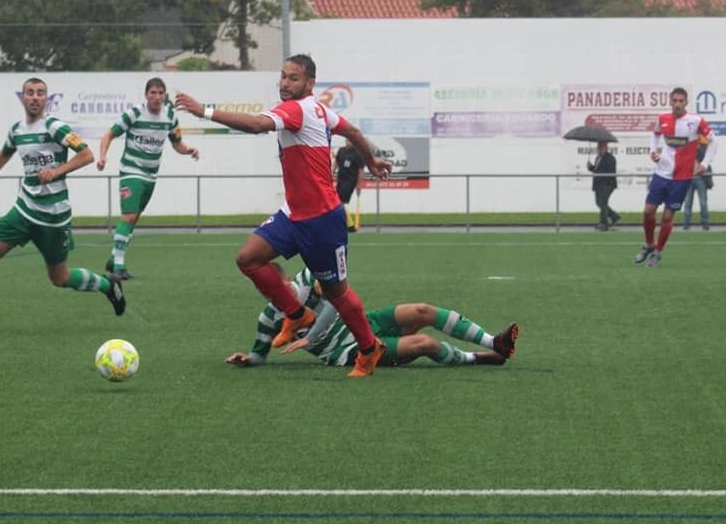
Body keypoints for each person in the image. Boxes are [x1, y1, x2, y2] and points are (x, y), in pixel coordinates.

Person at [174, 54, 393, 378]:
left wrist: (203, 110)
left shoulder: (298, 109)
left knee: (337, 292)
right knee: (248, 258)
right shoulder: (319, 110)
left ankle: (369, 348)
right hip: (294, 214)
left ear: (309, 84)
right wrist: (371, 160)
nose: (285, 83)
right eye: (283, 76)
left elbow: (256, 125)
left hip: (321, 219)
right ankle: (297, 314)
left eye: (293, 78)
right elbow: (353, 131)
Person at [0, 77, 125, 324]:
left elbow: (86, 155)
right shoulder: (17, 130)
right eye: (30, 92)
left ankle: (108, 286)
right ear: (22, 97)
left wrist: (57, 171)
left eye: (40, 93)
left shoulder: (55, 126)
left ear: (46, 99)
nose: (34, 97)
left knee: (59, 278)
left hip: (53, 216)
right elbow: (3, 154)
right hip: (24, 209)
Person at [225, 265, 519, 369]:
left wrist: (310, 338)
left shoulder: (308, 278)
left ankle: (496, 342)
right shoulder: (268, 319)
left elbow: (336, 303)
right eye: (264, 289)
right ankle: (478, 358)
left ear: (286, 278)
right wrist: (248, 359)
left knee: (422, 310)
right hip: (348, 352)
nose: (273, 293)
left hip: (364, 322)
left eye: (277, 285)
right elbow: (260, 353)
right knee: (424, 344)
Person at [96, 77, 199, 278]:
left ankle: (113, 258)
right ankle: (118, 267)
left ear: (165, 96)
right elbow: (109, 134)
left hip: (151, 177)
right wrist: (102, 156)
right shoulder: (134, 113)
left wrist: (189, 150)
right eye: (153, 92)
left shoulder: (170, 116)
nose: (157, 96)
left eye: (161, 93)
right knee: (130, 216)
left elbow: (177, 143)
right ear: (146, 95)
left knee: (133, 219)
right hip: (131, 171)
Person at [634, 87, 718, 267]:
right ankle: (649, 244)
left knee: (666, 217)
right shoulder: (663, 118)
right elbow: (655, 134)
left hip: (682, 178)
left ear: (686, 103)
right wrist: (653, 151)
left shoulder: (696, 121)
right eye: (675, 100)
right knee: (648, 211)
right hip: (661, 173)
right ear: (670, 101)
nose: (678, 104)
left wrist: (704, 163)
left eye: (681, 101)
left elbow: (714, 140)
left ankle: (658, 252)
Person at [586, 141, 620, 231]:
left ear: (606, 148)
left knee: (603, 202)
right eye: (598, 147)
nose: (599, 149)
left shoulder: (611, 159)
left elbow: (609, 172)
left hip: (608, 185)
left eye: (601, 147)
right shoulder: (597, 158)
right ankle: (614, 216)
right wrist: (591, 168)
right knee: (599, 203)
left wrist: (597, 172)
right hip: (598, 185)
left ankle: (603, 224)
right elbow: (597, 170)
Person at [334, 140, 365, 232]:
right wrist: (331, 172)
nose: (349, 142)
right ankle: (348, 224)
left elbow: (361, 171)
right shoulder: (341, 150)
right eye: (347, 140)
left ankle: (350, 225)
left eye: (350, 141)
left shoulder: (358, 153)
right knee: (337, 202)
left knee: (340, 202)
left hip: (350, 181)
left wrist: (359, 185)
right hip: (340, 179)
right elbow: (336, 162)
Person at [682, 136, 712, 231]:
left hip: (701, 178)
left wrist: (698, 148)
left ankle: (705, 224)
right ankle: (686, 224)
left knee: (703, 202)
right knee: (687, 202)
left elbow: (705, 159)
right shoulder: (686, 147)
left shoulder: (703, 147)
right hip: (688, 178)